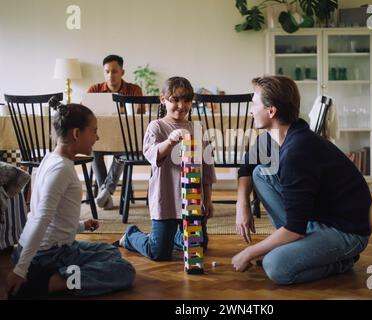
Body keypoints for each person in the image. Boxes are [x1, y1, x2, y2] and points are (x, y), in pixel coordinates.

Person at [232, 75, 372, 284]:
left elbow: (295, 228)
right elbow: (246, 168)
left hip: (347, 231)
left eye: (254, 104)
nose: (251, 111)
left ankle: (342, 260)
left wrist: (248, 253)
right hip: (318, 218)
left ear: (271, 111)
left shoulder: (297, 152)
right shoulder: (275, 137)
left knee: (275, 267)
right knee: (260, 173)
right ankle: (294, 246)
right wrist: (241, 203)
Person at [6, 97, 135, 299]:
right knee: (124, 271)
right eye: (94, 131)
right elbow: (41, 219)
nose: (97, 137)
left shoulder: (51, 159)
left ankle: (54, 275)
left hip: (41, 250)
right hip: (45, 256)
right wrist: (20, 271)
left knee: (109, 251)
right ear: (76, 134)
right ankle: (50, 284)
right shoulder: (61, 169)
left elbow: (53, 218)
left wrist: (81, 226)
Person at [116, 76, 216, 261]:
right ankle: (131, 235)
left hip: (193, 202)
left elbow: (207, 169)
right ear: (163, 99)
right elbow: (151, 153)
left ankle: (176, 237)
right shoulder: (157, 126)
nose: (181, 105)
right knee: (159, 253)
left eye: (186, 100)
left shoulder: (197, 129)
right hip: (167, 199)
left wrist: (208, 200)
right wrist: (170, 141)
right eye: (175, 100)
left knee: (198, 245)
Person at [88, 54, 143, 210]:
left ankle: (105, 191)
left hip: (125, 140)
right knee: (94, 151)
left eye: (114, 71)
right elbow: (84, 115)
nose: (110, 75)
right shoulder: (94, 90)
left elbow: (140, 119)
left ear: (122, 72)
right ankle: (105, 194)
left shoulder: (134, 90)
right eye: (107, 72)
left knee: (122, 151)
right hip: (100, 139)